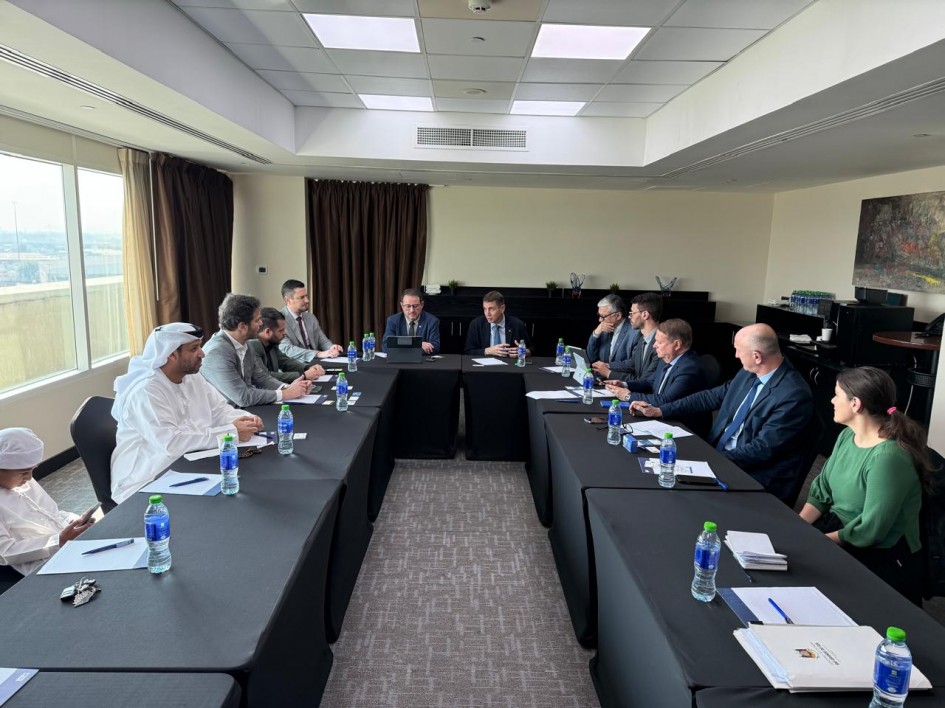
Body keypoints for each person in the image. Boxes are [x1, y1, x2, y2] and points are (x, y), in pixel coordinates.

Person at [635, 323, 812, 503]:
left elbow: (762, 449)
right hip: (721, 454)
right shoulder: (748, 373)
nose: (736, 355)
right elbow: (711, 397)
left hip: (752, 473)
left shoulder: (793, 395)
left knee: (672, 498)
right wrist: (661, 410)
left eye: (738, 350)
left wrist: (709, 458)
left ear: (757, 356)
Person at [800, 367, 931, 605]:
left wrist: (817, 541)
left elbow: (872, 529)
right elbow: (822, 491)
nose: (831, 400)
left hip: (879, 553)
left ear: (856, 404)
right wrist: (798, 527)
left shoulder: (888, 458)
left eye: (837, 395)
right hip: (841, 530)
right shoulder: (846, 437)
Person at [111, 322, 265, 504]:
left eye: (199, 346)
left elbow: (219, 410)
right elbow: (171, 443)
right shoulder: (146, 391)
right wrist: (231, 432)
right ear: (171, 354)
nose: (202, 353)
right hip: (147, 480)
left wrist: (245, 420)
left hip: (188, 465)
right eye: (193, 349)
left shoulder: (192, 378)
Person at [0, 428, 94, 579]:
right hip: (39, 564)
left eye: (32, 470)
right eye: (24, 472)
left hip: (67, 546)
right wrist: (58, 541)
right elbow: (5, 551)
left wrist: (73, 521)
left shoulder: (23, 481)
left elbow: (52, 514)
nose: (29, 478)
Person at [201, 294, 312, 407]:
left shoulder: (246, 343)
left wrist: (289, 388)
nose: (261, 323)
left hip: (246, 410)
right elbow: (243, 397)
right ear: (242, 327)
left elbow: (261, 378)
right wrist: (285, 394)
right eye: (257, 320)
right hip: (229, 415)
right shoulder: (217, 352)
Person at [608, 318, 707, 405]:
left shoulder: (689, 369)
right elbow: (649, 383)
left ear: (677, 345)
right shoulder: (665, 359)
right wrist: (624, 384)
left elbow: (666, 400)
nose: (654, 345)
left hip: (678, 419)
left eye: (659, 342)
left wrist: (628, 396)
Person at [592, 292, 661, 382]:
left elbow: (645, 381)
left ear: (645, 315)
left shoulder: (660, 344)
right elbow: (632, 363)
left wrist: (608, 373)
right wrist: (607, 366)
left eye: (632, 313)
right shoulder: (643, 339)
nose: (629, 316)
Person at [250, 307, 326, 383]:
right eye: (281, 330)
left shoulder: (272, 343)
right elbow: (266, 376)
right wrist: (304, 375)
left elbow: (285, 362)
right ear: (268, 332)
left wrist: (308, 367)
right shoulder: (253, 346)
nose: (285, 333)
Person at [279, 279, 343, 362]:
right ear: (288, 300)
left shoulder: (310, 317)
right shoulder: (279, 320)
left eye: (306, 296)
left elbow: (322, 340)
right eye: (302, 297)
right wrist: (318, 354)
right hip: (295, 365)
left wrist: (331, 348)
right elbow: (287, 349)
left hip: (316, 362)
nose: (307, 300)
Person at [464, 290, 530, 357]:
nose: (487, 313)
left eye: (491, 309)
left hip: (510, 362)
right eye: (485, 309)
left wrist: (525, 352)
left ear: (502, 308)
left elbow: (531, 349)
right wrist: (487, 351)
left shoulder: (518, 325)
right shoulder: (476, 324)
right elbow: (468, 352)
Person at [382, 288, 441, 355]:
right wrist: (416, 344)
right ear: (402, 305)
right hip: (399, 360)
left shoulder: (432, 321)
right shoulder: (393, 320)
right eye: (408, 306)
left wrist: (401, 347)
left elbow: (435, 347)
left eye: (415, 306)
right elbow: (386, 346)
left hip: (422, 361)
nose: (412, 310)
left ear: (422, 305)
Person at [586, 294, 637, 368]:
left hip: (618, 374)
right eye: (599, 315)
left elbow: (633, 364)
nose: (600, 320)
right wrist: (596, 334)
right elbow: (591, 358)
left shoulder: (634, 332)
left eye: (603, 316)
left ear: (618, 316)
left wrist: (607, 366)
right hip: (599, 373)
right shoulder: (604, 328)